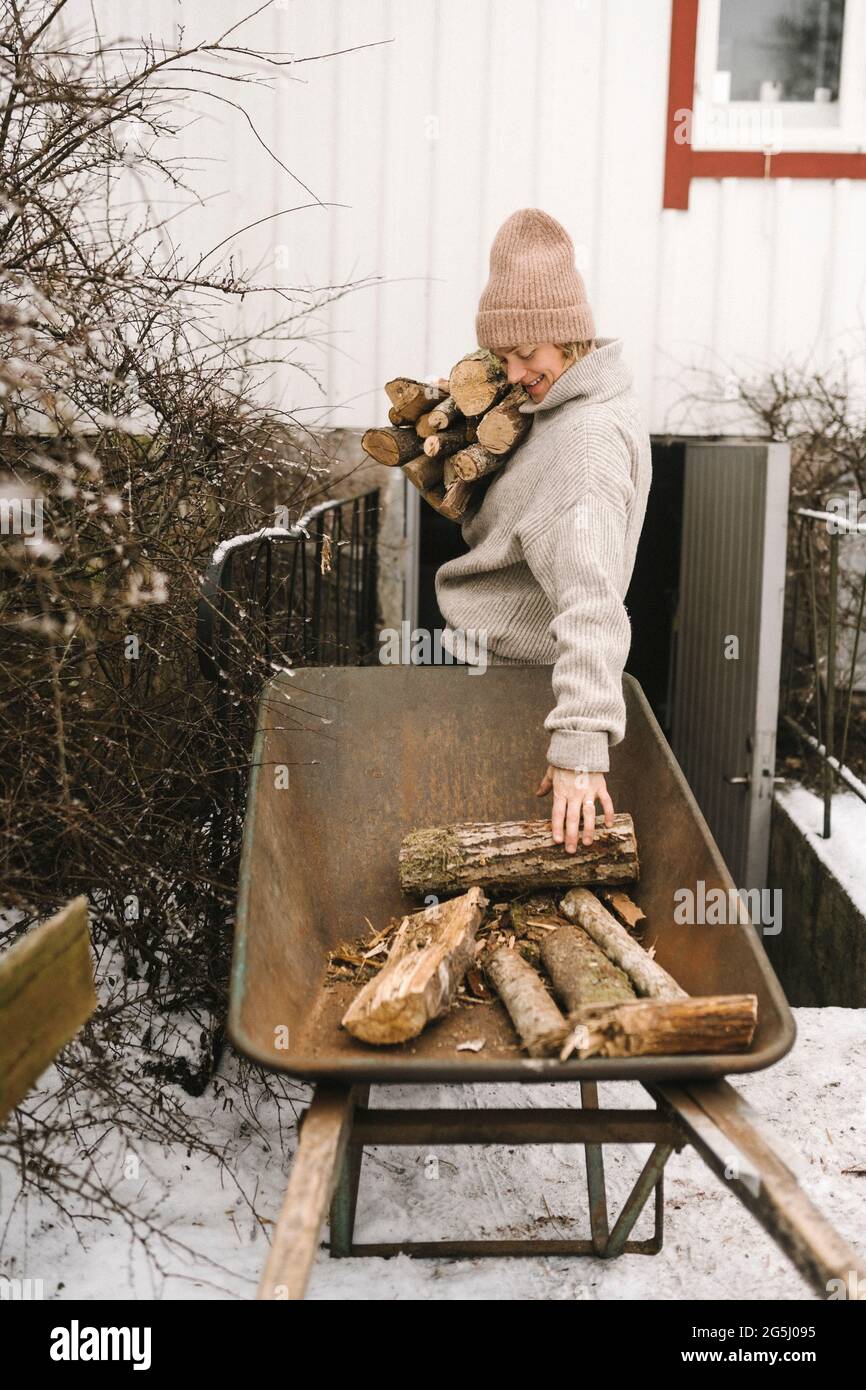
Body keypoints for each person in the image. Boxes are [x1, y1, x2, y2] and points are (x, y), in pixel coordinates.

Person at [435, 207, 652, 854]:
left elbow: (592, 601)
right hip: (499, 684)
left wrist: (580, 747)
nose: (516, 372)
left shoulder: (583, 441)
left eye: (527, 353)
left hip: (523, 701)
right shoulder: (555, 408)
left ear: (571, 338)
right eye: (502, 358)